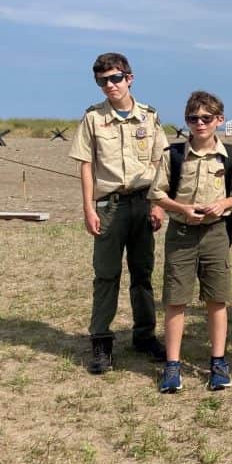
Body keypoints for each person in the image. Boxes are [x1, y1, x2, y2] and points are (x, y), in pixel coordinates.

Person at [70, 52, 167, 374]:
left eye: (115, 78)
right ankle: (101, 341)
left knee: (143, 275)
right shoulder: (93, 119)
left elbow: (159, 162)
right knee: (106, 275)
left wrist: (157, 204)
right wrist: (88, 209)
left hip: (142, 202)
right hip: (109, 206)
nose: (109, 85)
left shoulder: (149, 117)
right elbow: (85, 165)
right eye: (102, 80)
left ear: (129, 78)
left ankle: (144, 336)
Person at [149, 91, 232, 392]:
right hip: (181, 234)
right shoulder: (173, 155)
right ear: (186, 121)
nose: (200, 124)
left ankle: (218, 362)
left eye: (206, 118)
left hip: (216, 232)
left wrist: (223, 204)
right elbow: (157, 192)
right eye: (193, 118)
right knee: (175, 300)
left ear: (219, 120)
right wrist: (181, 209)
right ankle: (173, 365)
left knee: (217, 299)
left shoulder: (231, 155)